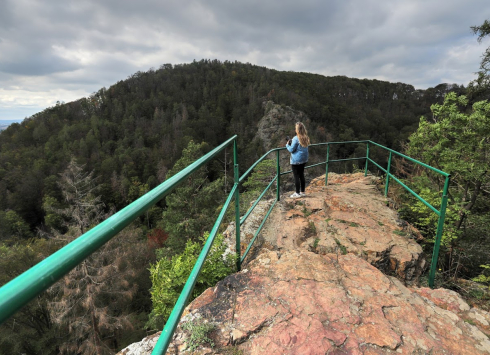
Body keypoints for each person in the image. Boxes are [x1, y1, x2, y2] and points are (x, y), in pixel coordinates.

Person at [286, 122, 310, 198]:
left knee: (296, 176)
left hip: (296, 160)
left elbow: (291, 150)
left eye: (295, 128)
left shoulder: (296, 138)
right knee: (301, 175)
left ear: (297, 130)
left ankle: (297, 193)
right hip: (304, 159)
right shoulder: (305, 137)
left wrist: (287, 145)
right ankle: (302, 192)